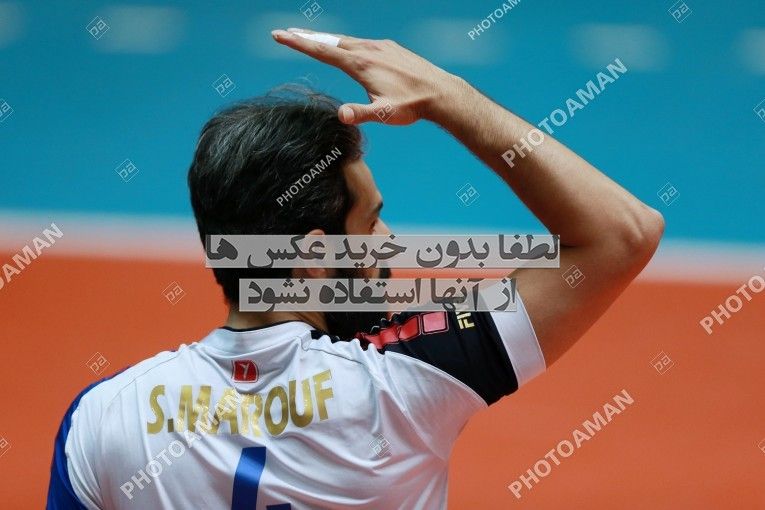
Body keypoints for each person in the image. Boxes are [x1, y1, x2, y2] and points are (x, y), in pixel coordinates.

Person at [47, 28, 664, 509]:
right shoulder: (402, 381)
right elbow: (622, 234)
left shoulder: (103, 420)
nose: (389, 244)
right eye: (370, 225)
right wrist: (447, 95)